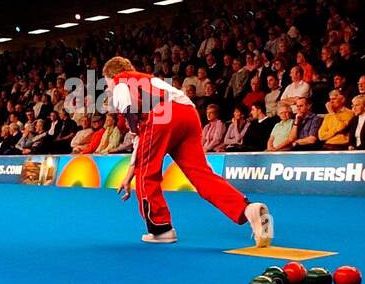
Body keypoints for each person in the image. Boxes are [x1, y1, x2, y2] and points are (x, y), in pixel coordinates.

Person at [105, 56, 273, 246]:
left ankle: (161, 229)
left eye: (106, 83)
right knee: (201, 175)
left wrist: (131, 122)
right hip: (188, 115)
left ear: (112, 76)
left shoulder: (121, 80)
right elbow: (141, 143)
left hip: (162, 115)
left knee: (147, 175)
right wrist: (129, 174)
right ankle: (248, 209)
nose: (108, 88)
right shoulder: (150, 80)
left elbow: (127, 107)